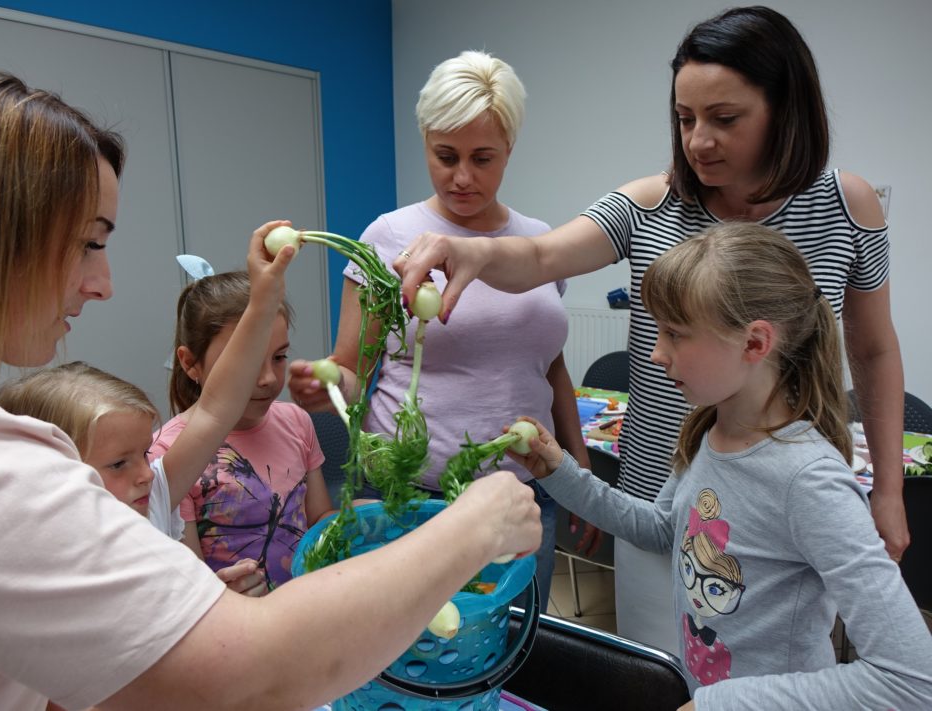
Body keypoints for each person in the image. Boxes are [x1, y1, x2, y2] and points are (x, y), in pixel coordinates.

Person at [0, 69, 542, 711]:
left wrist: (263, 296)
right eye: (89, 243)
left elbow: (214, 408)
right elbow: (253, 670)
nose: (102, 284)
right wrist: (474, 527)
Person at [396, 6, 905, 653]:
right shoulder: (650, 203)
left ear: (786, 110)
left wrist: (889, 491)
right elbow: (543, 255)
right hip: (657, 502)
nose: (698, 141)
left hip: (786, 512)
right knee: (663, 669)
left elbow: (873, 349)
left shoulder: (848, 207)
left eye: (724, 118)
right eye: (685, 119)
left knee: (771, 671)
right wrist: (470, 250)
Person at [511, 223, 932, 709]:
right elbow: (661, 530)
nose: (656, 353)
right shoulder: (708, 429)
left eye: (674, 334)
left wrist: (720, 704)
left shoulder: (811, 481)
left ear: (754, 343)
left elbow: (910, 678)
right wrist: (558, 471)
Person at [288, 50, 590, 609]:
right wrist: (325, 386)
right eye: (445, 155)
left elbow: (549, 367)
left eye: (483, 158)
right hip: (409, 497)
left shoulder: (539, 243)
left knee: (515, 644)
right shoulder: (388, 236)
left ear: (509, 150)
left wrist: (580, 472)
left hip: (525, 495)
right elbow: (353, 370)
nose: (462, 177)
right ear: (425, 140)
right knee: (414, 646)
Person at [0, 361, 267, 597]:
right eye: (118, 464)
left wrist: (213, 601)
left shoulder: (152, 503)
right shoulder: (45, 573)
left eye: (145, 453)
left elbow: (216, 410)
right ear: (50, 471)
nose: (147, 474)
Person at [152, 269, 335, 589]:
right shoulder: (170, 455)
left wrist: (350, 521)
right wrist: (229, 593)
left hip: (304, 602)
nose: (267, 379)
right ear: (190, 363)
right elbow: (190, 583)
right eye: (245, 361)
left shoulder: (297, 421)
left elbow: (319, 518)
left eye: (279, 357)